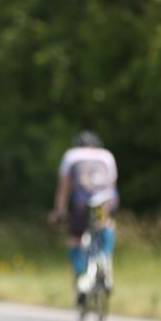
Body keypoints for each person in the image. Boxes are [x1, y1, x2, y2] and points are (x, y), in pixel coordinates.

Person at [48, 131, 119, 310]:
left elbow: (64, 188)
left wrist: (60, 211)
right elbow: (111, 186)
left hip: (82, 203)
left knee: (75, 238)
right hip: (104, 201)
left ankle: (81, 275)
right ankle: (107, 261)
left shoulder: (71, 155)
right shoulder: (107, 155)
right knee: (107, 223)